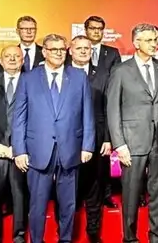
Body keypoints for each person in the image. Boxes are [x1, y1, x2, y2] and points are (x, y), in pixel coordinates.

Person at [12, 33, 95, 243]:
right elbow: (19, 117)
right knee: (37, 205)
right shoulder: (28, 78)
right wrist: (19, 150)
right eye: (53, 49)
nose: (58, 53)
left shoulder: (79, 77)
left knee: (68, 204)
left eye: (61, 49)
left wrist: (87, 145)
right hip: (38, 151)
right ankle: (36, 240)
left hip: (70, 149)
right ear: (45, 52)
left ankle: (65, 239)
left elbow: (87, 113)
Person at [106, 23, 158, 243]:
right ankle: (130, 238)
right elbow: (113, 109)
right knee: (131, 195)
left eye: (156, 39)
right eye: (149, 40)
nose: (154, 43)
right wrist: (119, 145)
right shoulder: (121, 70)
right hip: (132, 143)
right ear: (136, 42)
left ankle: (156, 237)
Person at [71, 35, 114, 243]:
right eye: (78, 48)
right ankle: (67, 230)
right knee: (68, 187)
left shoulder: (103, 74)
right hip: (68, 140)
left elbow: (109, 108)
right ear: (70, 50)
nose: (83, 51)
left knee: (95, 188)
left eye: (86, 48)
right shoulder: (63, 73)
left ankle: (93, 230)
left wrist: (107, 138)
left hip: (97, 140)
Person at [0, 46, 28, 243]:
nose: (12, 59)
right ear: (0, 61)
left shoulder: (32, 83)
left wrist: (19, 147)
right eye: (7, 56)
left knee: (20, 197)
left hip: (22, 151)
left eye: (16, 56)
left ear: (23, 60)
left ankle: (19, 236)